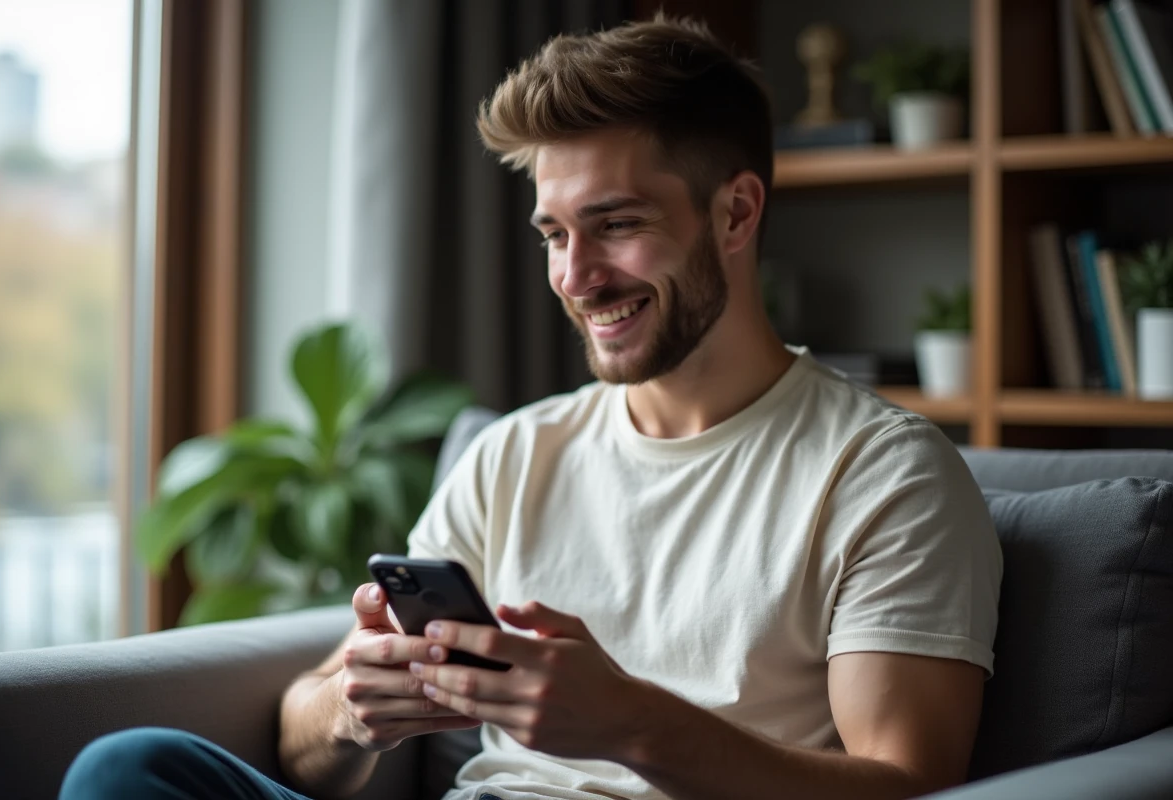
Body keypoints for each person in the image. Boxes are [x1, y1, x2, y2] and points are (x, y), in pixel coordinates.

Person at [60, 15, 1002, 800]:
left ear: (736, 214)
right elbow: (311, 746)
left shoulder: (882, 473)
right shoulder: (513, 454)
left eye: (618, 224)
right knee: (129, 768)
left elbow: (908, 784)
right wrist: (352, 710)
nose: (576, 277)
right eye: (554, 233)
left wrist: (634, 724)